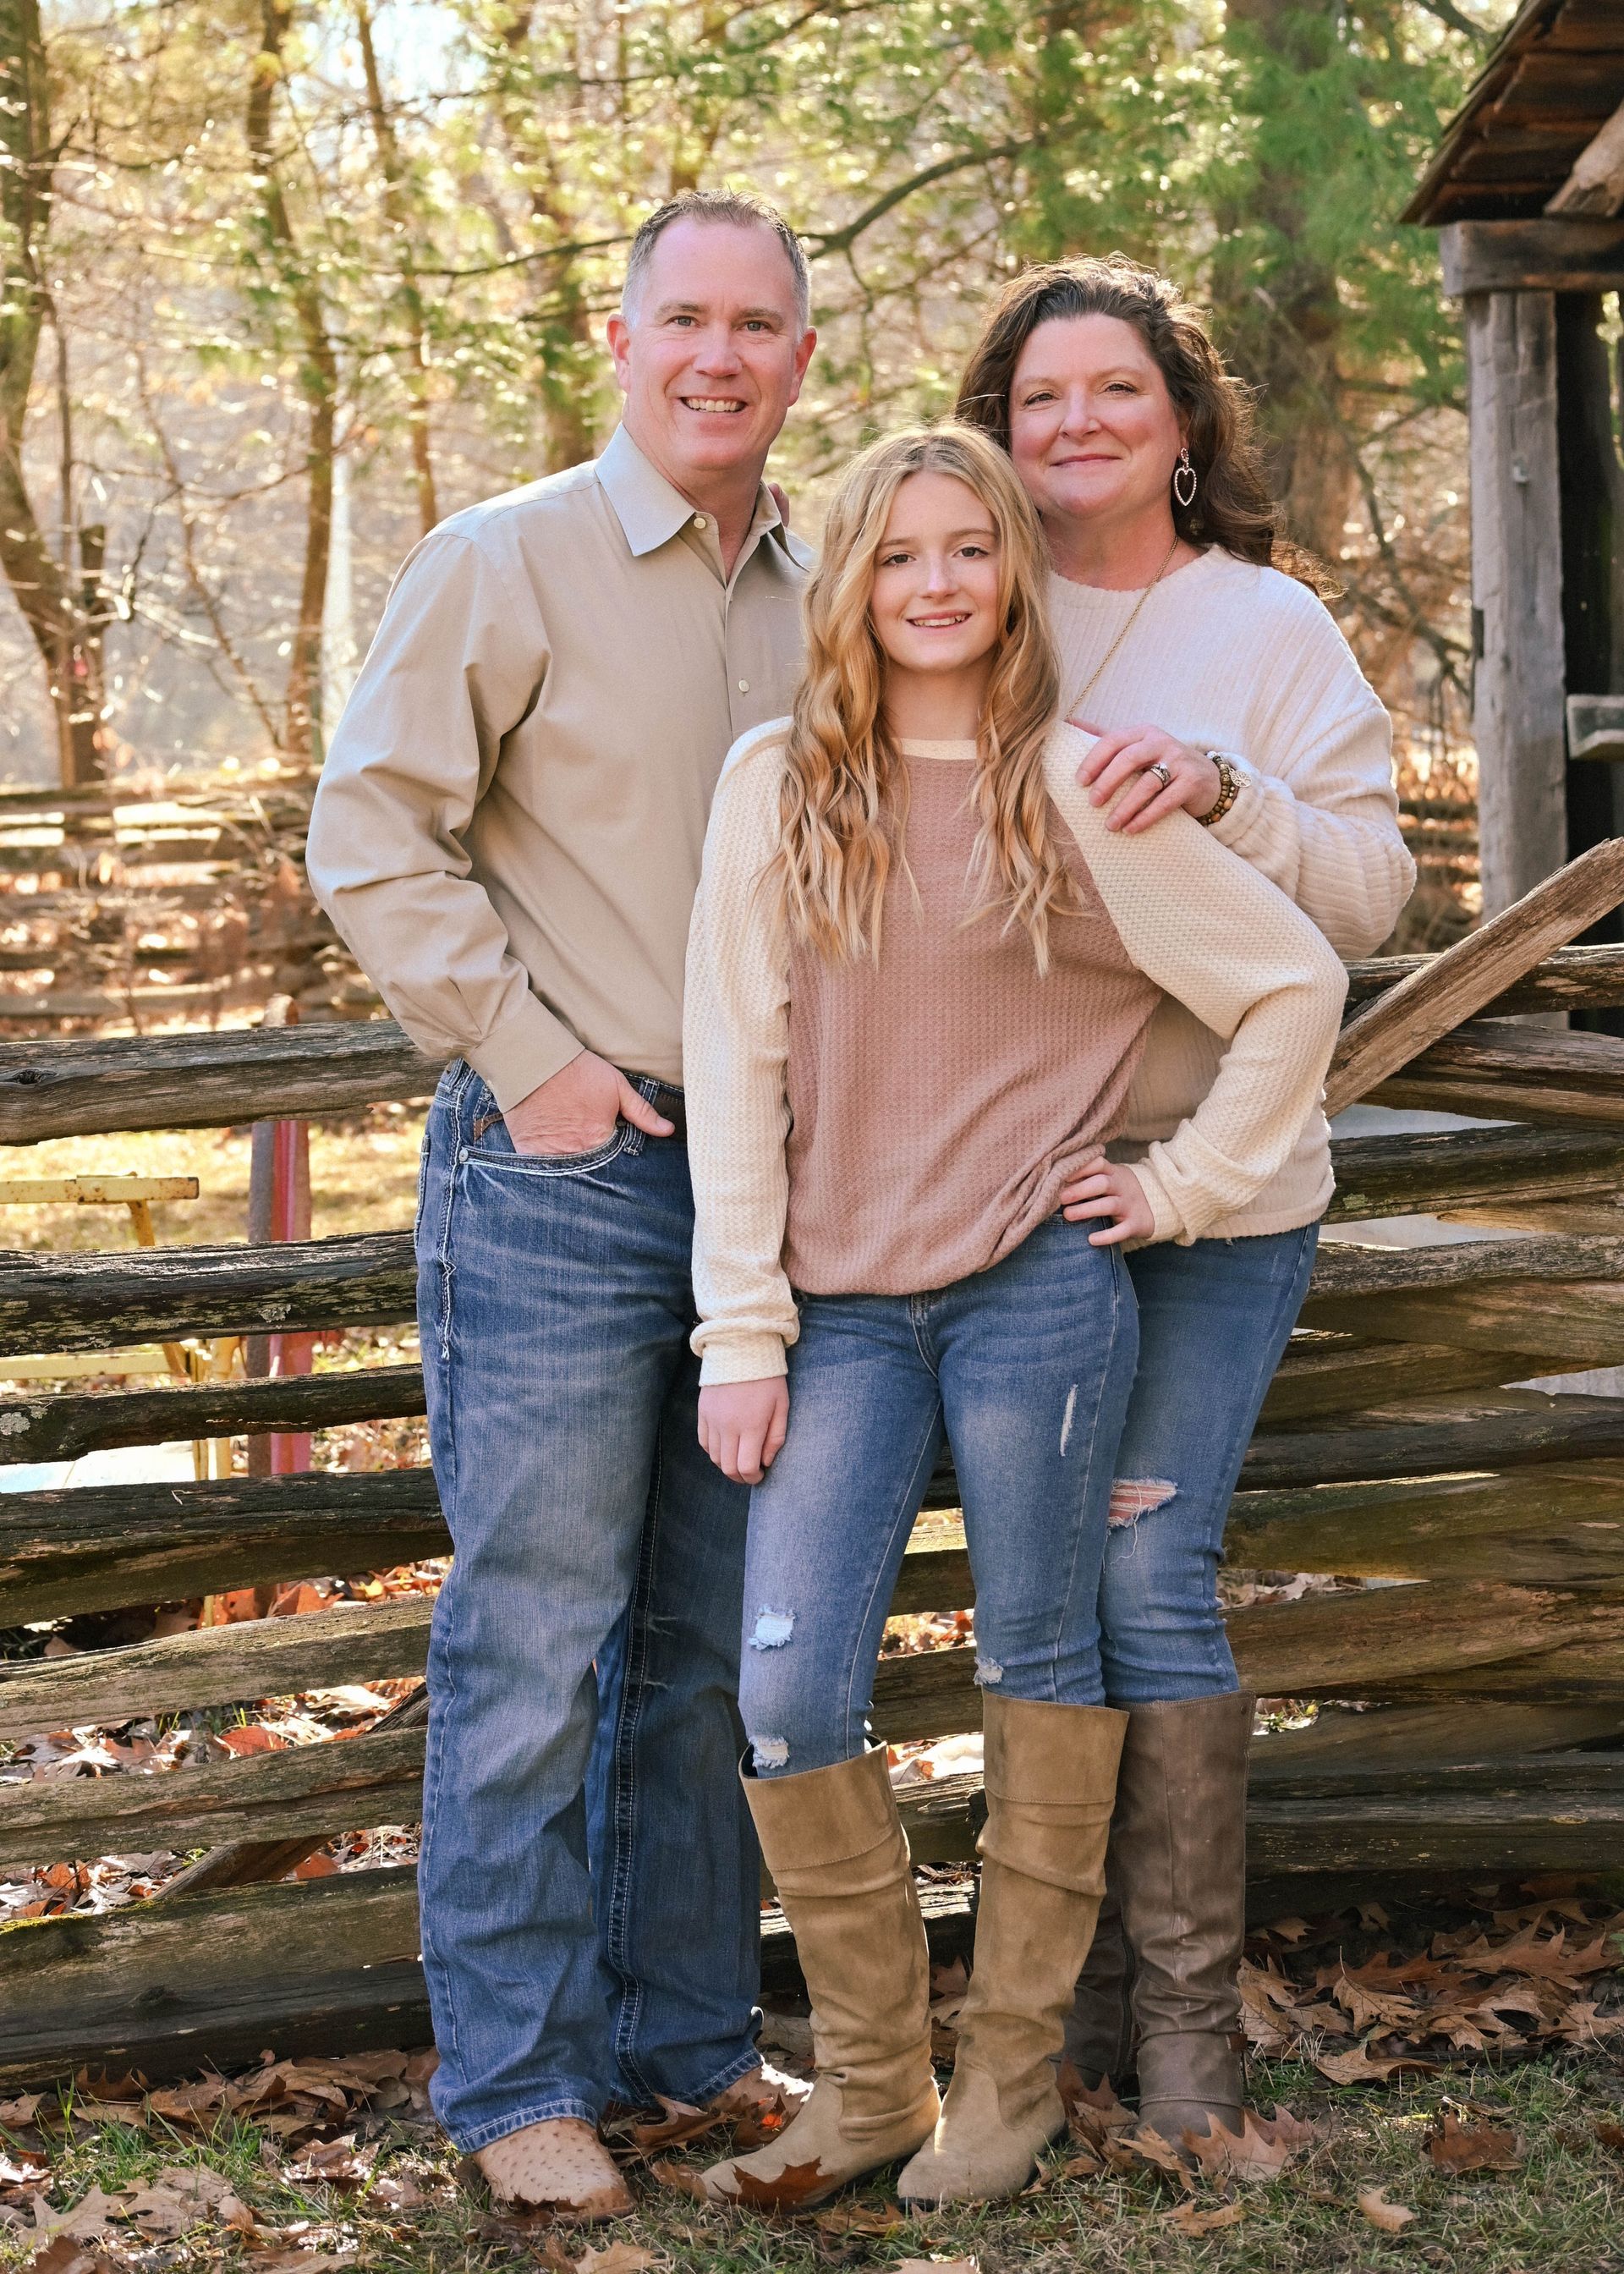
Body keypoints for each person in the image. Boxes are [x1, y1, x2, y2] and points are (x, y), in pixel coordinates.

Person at [679, 423, 1347, 2210]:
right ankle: (875, 2079)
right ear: (854, 584)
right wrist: (738, 1331)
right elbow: (735, 1065)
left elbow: (1297, 982)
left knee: (1039, 1664)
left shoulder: (1074, 782)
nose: (938, 584)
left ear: (1011, 574)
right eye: (900, 556)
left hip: (1038, 1293)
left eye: (972, 549)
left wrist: (1186, 1188)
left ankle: (1011, 2079)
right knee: (787, 1686)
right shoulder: (778, 780)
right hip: (838, 1310)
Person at [304, 188, 818, 2221]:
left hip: (767, 1198)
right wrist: (528, 1061)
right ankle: (516, 2082)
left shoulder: (829, 582)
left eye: (757, 326)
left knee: (701, 1647)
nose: (718, 356)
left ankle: (684, 2042)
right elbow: (370, 828)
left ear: (798, 356)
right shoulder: (501, 559)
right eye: (682, 319)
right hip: (563, 1174)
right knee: (538, 1637)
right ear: (621, 341)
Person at [953, 255, 1414, 2145]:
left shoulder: (1269, 629)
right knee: (1040, 1588)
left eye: (1116, 393)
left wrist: (1229, 791)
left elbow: (1375, 900)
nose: (1075, 423)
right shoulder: (950, 597)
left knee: (1150, 1562)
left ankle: (1193, 2051)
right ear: (997, 425)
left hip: (1222, 1188)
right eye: (1040, 395)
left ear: (1183, 424)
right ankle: (1056, 2037)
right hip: (1002, 1187)